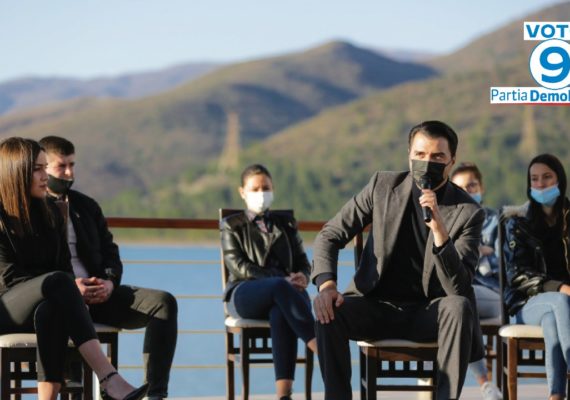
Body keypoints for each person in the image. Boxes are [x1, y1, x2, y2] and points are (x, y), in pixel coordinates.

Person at [312, 120, 485, 400]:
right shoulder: (382, 186)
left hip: (429, 313)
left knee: (459, 306)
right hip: (376, 306)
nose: (427, 163)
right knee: (328, 310)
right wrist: (327, 286)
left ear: (451, 161)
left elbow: (459, 287)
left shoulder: (468, 212)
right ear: (409, 154)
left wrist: (440, 232)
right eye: (420, 154)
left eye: (437, 157)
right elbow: (329, 235)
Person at [0, 137, 148, 400]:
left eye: (45, 167)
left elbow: (64, 266)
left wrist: (64, 286)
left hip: (45, 302)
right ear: (15, 172)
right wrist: (58, 284)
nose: (45, 176)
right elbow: (8, 278)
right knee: (58, 283)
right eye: (37, 169)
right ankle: (109, 378)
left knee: (51, 308)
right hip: (6, 308)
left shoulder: (51, 212)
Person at [38, 136, 178, 400]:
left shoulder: (87, 206)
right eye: (61, 166)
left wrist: (109, 283)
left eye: (72, 165)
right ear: (43, 168)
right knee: (66, 312)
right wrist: (71, 287)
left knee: (164, 303)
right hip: (61, 299)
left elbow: (111, 254)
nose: (69, 173)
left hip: (100, 294)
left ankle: (155, 395)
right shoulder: (32, 209)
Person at [221, 164, 317, 400]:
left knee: (280, 310)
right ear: (242, 192)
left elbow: (303, 262)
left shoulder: (286, 224)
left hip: (286, 295)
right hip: (245, 293)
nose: (261, 193)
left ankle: (284, 395)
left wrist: (303, 276)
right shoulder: (232, 225)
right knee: (280, 287)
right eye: (255, 189)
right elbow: (239, 266)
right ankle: (320, 346)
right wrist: (282, 279)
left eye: (266, 188)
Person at [503, 153, 570, 400]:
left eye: (547, 177)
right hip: (527, 303)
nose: (540, 184)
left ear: (559, 179)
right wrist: (560, 287)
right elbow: (517, 275)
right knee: (560, 301)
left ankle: (556, 395)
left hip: (563, 307)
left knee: (553, 320)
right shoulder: (518, 223)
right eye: (534, 179)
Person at [451, 162, 502, 400]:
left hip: (491, 292)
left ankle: (483, 382)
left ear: (481, 187)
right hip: (461, 294)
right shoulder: (446, 221)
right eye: (461, 188)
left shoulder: (496, 221)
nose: (468, 191)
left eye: (472, 185)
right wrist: (481, 250)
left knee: (461, 300)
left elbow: (503, 263)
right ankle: (480, 384)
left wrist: (469, 251)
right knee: (458, 306)